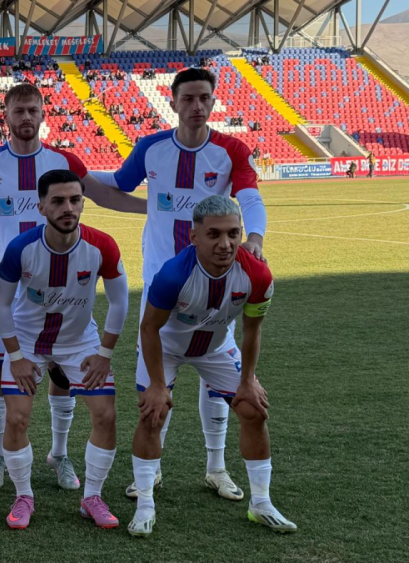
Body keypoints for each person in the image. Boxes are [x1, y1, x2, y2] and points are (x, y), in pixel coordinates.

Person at [0, 83, 145, 493]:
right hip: (7, 287)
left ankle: (59, 453)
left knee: (62, 366)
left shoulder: (63, 161)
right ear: (6, 116)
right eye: (18, 110)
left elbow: (103, 196)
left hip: (61, 281)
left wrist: (157, 209)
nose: (26, 117)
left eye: (32, 110)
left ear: (43, 114)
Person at [91, 67, 268, 502]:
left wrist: (255, 238)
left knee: (215, 376)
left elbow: (249, 197)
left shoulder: (230, 150)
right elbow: (117, 183)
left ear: (213, 101)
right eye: (187, 98)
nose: (196, 106)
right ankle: (151, 473)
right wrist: (75, 170)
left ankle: (216, 468)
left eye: (204, 97)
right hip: (162, 284)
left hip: (215, 283)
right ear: (172, 102)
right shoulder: (151, 148)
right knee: (157, 386)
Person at [129, 195, 296, 537]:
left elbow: (252, 331)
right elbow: (149, 329)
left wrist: (247, 380)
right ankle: (145, 505)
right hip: (166, 349)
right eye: (214, 234)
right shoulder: (173, 275)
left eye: (234, 233)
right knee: (153, 414)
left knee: (253, 410)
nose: (226, 244)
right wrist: (157, 386)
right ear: (194, 237)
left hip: (217, 348)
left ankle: (261, 503)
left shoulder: (257, 274)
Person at [0, 169, 128, 529]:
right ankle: (24, 495)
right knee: (17, 418)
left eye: (74, 200)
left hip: (79, 340)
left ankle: (92, 497)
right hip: (27, 340)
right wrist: (16, 357)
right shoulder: (21, 248)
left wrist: (104, 354)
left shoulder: (102, 245)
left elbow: (119, 301)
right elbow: (1, 305)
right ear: (41, 207)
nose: (68, 208)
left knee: (105, 415)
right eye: (57, 201)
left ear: (83, 202)